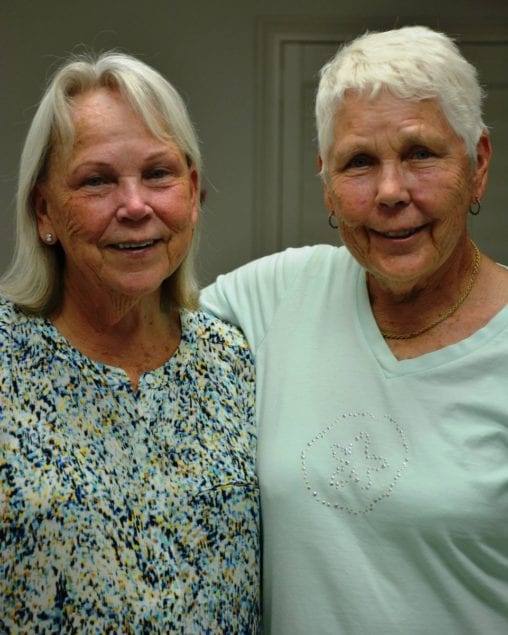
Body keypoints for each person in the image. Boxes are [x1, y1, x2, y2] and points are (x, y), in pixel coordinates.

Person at [201, 26, 508, 634]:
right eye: (360, 162)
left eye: (420, 153)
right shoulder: (273, 296)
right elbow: (118, 335)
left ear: (477, 164)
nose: (391, 192)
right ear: (327, 185)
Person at [0, 52, 259, 633]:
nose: (136, 206)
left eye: (158, 174)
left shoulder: (238, 362)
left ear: (192, 192)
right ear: (45, 210)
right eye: (97, 181)